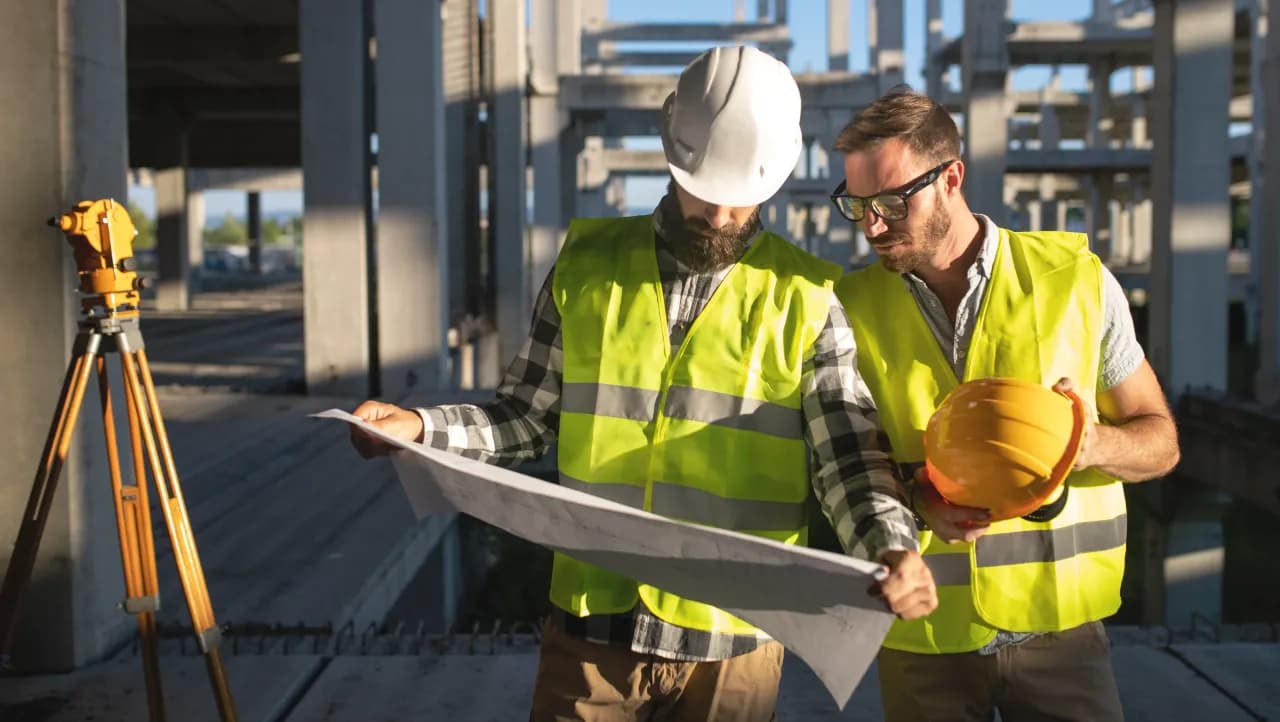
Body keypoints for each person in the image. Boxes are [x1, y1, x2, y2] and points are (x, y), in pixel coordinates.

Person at [348, 47, 936, 722]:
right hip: (592, 631)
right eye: (703, 190)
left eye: (737, 197)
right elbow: (524, 418)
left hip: (736, 642)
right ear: (672, 154)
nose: (718, 216)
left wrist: (892, 545)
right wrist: (421, 429)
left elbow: (847, 456)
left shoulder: (807, 296)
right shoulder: (586, 264)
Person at [829, 87, 1181, 722]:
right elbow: (840, 463)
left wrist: (1089, 443)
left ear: (951, 178)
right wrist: (917, 498)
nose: (873, 225)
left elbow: (1161, 441)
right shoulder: (844, 308)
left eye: (888, 201)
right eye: (856, 205)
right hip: (925, 636)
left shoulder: (1075, 278)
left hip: (1062, 636)